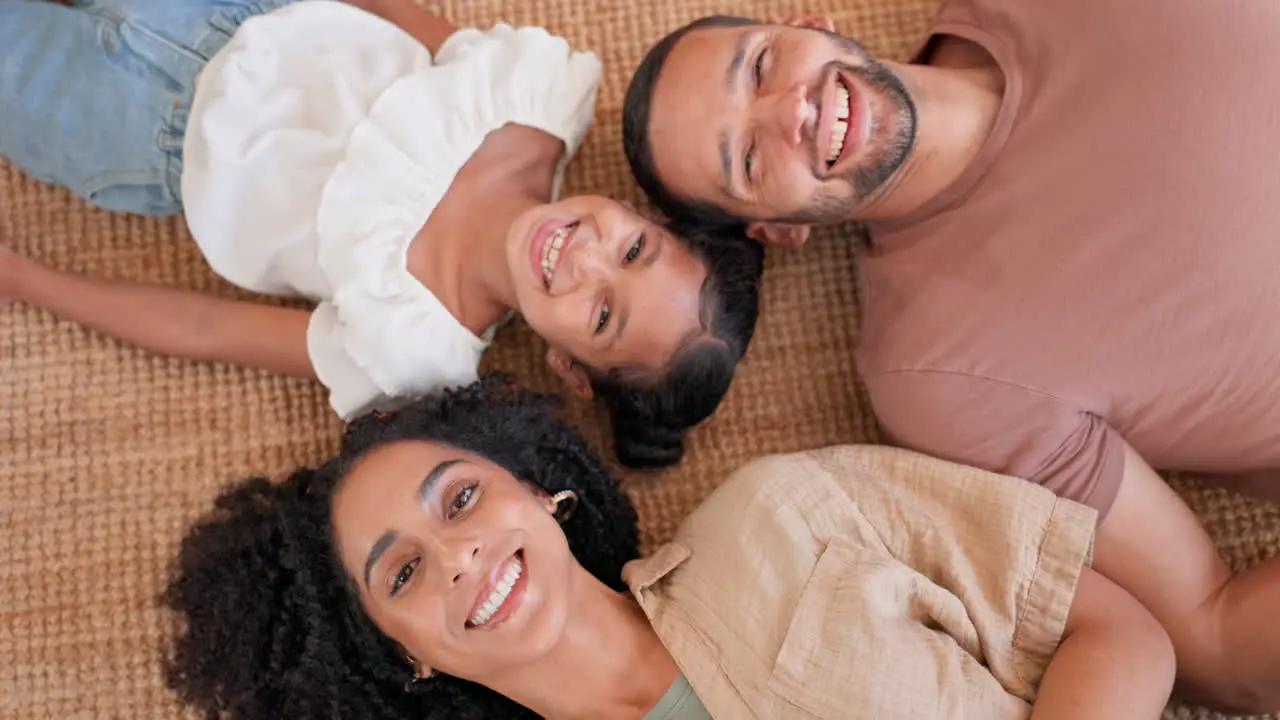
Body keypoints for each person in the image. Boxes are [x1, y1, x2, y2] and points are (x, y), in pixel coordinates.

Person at [620, 4, 1280, 710]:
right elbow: (1216, 644)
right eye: (748, 158)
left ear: (804, 21)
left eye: (758, 65)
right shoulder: (935, 375)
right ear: (775, 230)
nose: (792, 114)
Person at [0, 0, 765, 468]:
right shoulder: (535, 96)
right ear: (647, 215)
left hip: (130, 137)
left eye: (603, 314)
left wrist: (25, 280)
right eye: (633, 250)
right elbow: (386, 7)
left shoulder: (412, 344)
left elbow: (204, 326)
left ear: (567, 366)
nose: (586, 259)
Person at [164, 376, 1174, 719]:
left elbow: (1116, 633)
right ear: (402, 655)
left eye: (461, 499)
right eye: (403, 572)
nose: (458, 556)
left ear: (540, 493)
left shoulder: (782, 511)